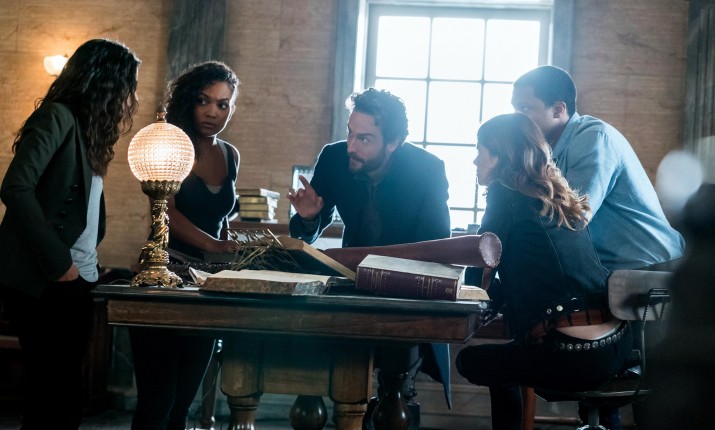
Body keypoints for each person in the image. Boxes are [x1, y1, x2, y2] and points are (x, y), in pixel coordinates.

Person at [511, 65, 685, 428]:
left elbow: (574, 218)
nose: (518, 118)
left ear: (559, 109)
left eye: (526, 109)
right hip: (614, 275)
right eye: (515, 109)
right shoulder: (550, 150)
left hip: (651, 272)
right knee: (599, 375)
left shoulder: (594, 138)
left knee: (652, 393)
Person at [455, 113, 633, 430]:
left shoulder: (503, 192)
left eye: (480, 151)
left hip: (572, 353)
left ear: (500, 155)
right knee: (509, 358)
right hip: (617, 346)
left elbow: (479, 266)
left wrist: (481, 293)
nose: (475, 161)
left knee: (471, 361)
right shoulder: (556, 197)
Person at [288, 87, 451, 427]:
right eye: (350, 133)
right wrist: (307, 218)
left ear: (393, 142)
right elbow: (307, 232)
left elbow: (436, 247)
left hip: (405, 293)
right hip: (350, 284)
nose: (351, 146)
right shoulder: (334, 158)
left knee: (395, 388)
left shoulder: (427, 170)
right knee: (313, 363)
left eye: (364, 139)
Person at [0, 39, 140, 430]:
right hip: (47, 276)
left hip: (76, 276)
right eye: (128, 85)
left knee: (62, 396)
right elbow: (15, 188)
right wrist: (62, 265)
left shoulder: (86, 130)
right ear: (106, 82)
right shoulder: (57, 116)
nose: (132, 97)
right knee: (55, 396)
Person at [128, 61, 240, 430]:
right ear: (189, 101)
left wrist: (229, 247)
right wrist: (214, 244)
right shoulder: (170, 144)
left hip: (208, 285)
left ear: (231, 109)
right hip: (165, 275)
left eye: (222, 104)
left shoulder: (230, 155)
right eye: (203, 100)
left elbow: (222, 217)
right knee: (156, 403)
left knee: (182, 406)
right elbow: (167, 212)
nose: (212, 112)